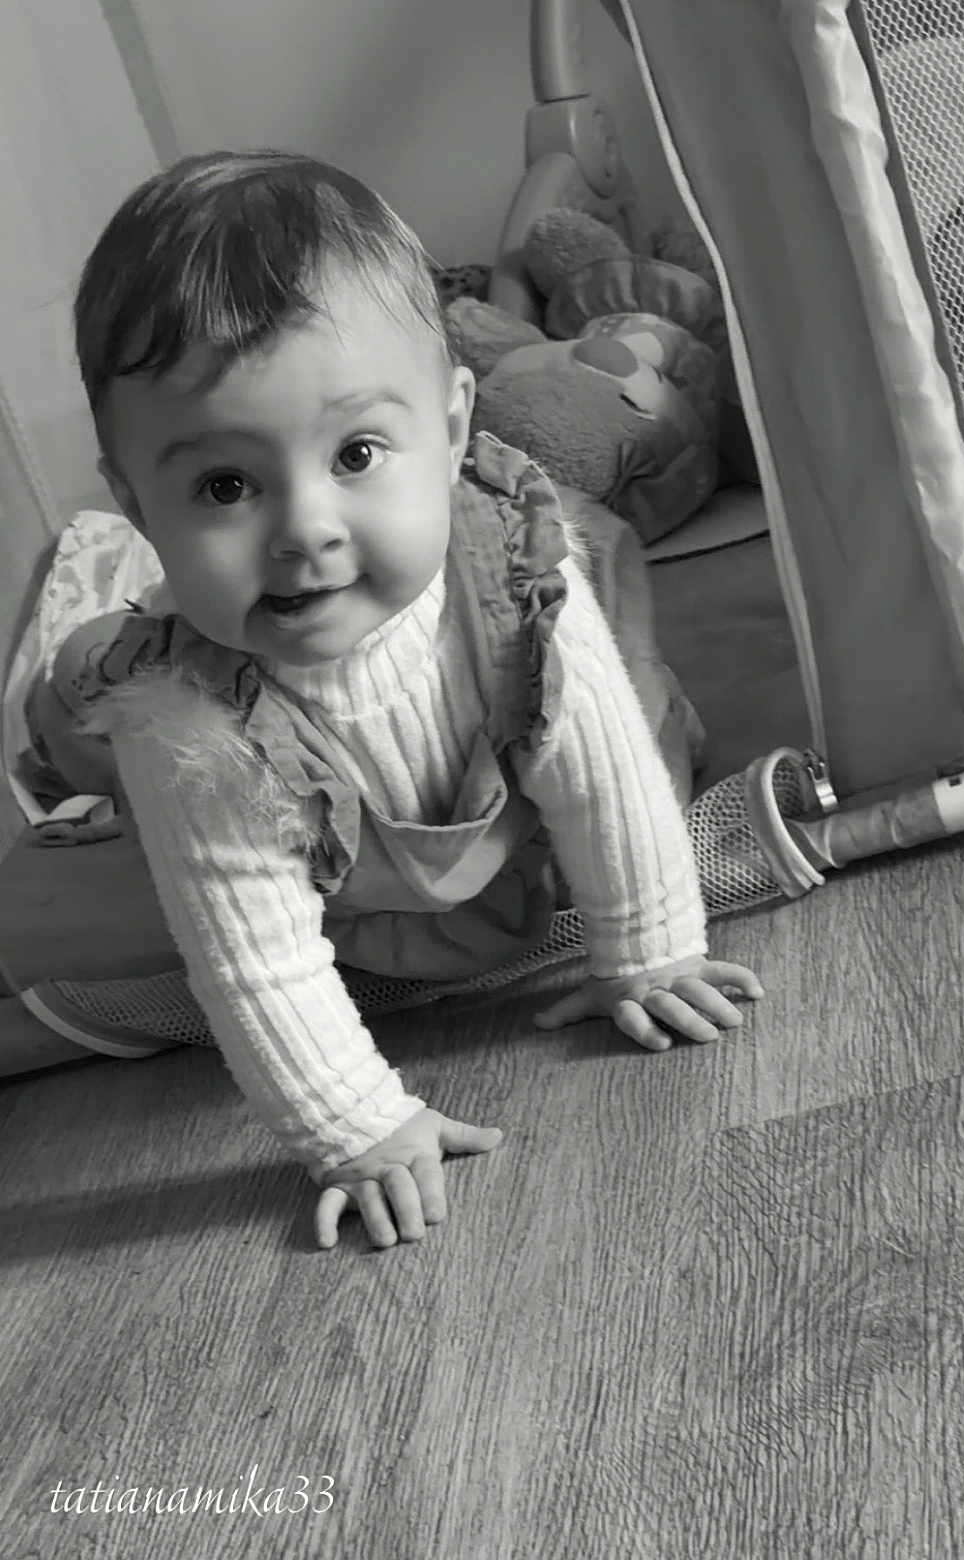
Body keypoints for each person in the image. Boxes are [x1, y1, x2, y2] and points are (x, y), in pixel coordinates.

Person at [3, 151, 763, 1250]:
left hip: (504, 812)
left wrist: (646, 951)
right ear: (136, 504)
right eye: (225, 486)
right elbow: (252, 956)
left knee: (638, 721)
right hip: (350, 898)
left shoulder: (513, 580)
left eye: (357, 452)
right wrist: (357, 1128)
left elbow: (600, 780)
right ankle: (67, 700)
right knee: (100, 858)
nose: (304, 529)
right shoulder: (191, 727)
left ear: (454, 429)